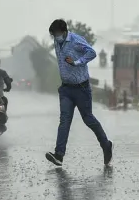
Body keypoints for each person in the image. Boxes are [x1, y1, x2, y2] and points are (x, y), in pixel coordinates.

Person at [45, 19, 113, 167]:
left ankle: (106, 145)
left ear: (63, 32)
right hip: (66, 89)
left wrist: (76, 62)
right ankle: (59, 155)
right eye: (53, 35)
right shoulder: (57, 42)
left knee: (88, 119)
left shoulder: (76, 40)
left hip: (81, 88)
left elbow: (92, 52)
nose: (55, 37)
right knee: (64, 121)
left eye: (56, 34)